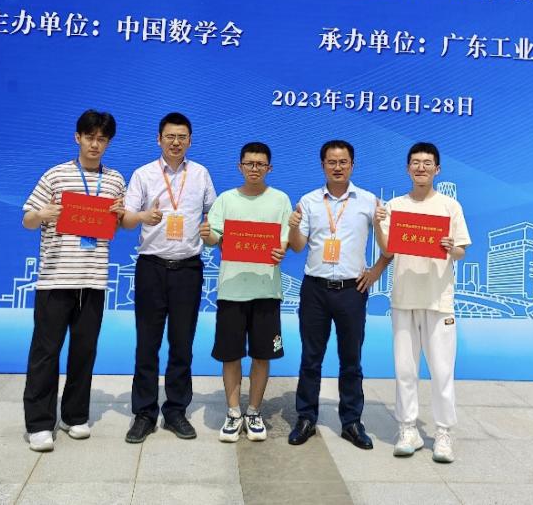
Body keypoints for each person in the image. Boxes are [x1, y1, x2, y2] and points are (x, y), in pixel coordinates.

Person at [21, 110, 126, 452]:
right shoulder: (55, 175)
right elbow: (27, 219)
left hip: (93, 280)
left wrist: (121, 214)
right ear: (77, 137)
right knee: (46, 353)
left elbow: (119, 222)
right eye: (90, 137)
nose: (95, 144)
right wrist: (42, 214)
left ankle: (74, 416)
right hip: (55, 279)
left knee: (84, 352)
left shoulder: (115, 180)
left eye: (102, 139)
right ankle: (39, 424)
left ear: (108, 143)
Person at [364, 142, 471, 463]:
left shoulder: (450, 206)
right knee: (405, 369)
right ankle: (408, 429)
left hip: (439, 300)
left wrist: (451, 247)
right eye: (415, 162)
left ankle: (443, 433)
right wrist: (377, 223)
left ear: (437, 169)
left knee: (442, 371)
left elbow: (461, 251)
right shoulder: (395, 206)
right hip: (404, 299)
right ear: (407, 168)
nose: (421, 167)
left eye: (427, 163)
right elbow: (388, 249)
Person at [121, 112, 216, 443]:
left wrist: (210, 228)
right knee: (147, 343)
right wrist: (143, 215)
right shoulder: (143, 174)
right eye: (170, 136)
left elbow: (214, 214)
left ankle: (176, 411)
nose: (176, 142)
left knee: (182, 343)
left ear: (190, 140)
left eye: (182, 137)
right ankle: (144, 413)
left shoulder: (200, 174)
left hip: (188, 269)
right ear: (159, 139)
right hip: (152, 267)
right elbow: (126, 219)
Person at [287, 140, 379, 450]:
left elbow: (387, 244)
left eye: (343, 162)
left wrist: (375, 271)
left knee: (351, 360)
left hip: (352, 290)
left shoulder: (368, 201)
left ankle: (351, 422)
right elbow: (298, 246)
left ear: (352, 164)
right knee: (310, 358)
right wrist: (293, 227)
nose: (337, 167)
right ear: (322, 165)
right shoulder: (309, 201)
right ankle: (306, 418)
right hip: (315, 289)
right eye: (331, 162)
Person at [201, 142, 291, 443]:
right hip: (232, 291)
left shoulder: (280, 199)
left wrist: (281, 250)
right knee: (231, 355)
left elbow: (284, 240)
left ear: (269, 168)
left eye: (260, 164)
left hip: (266, 290)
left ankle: (253, 411)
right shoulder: (226, 200)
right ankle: (233, 412)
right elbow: (214, 237)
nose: (255, 168)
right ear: (240, 166)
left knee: (262, 355)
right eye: (249, 163)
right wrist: (207, 235)